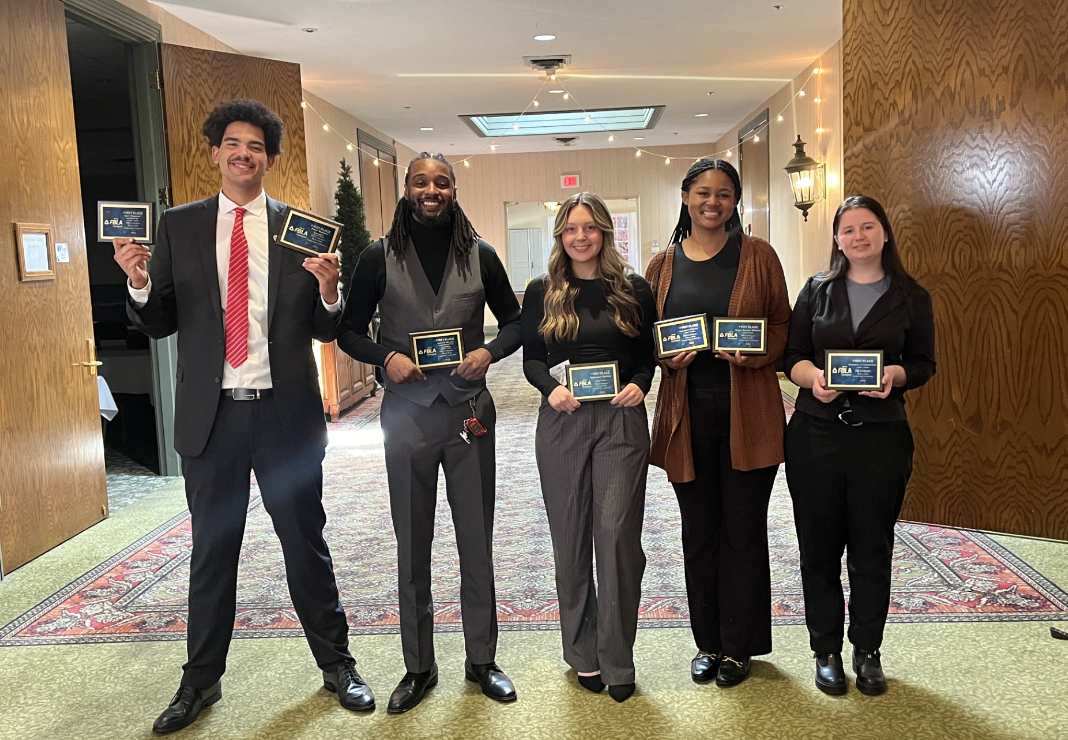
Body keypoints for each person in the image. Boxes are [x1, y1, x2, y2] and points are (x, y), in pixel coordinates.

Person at [113, 99, 372, 734]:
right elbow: (160, 322)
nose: (243, 154)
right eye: (232, 143)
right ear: (214, 153)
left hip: (285, 417)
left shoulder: (299, 230)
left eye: (255, 146)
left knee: (306, 545)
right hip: (213, 420)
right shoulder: (178, 227)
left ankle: (337, 664)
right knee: (212, 551)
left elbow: (321, 326)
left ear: (271, 159)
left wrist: (331, 292)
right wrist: (139, 283)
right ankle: (200, 681)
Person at [337, 152, 522, 714]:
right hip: (407, 414)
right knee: (412, 543)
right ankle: (419, 666)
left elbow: (516, 323)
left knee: (476, 539)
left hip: (469, 413)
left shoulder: (482, 255)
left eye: (441, 182)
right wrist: (384, 358)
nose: (431, 190)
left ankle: (482, 659)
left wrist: (489, 351)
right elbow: (348, 331)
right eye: (421, 182)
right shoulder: (377, 256)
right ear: (407, 190)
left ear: (454, 189)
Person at [645, 158, 791, 687]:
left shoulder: (759, 256)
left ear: (735, 201)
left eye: (724, 194)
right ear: (685, 197)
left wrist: (756, 356)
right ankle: (707, 642)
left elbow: (781, 325)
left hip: (747, 410)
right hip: (687, 413)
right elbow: (649, 336)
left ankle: (740, 645)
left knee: (743, 530)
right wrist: (665, 359)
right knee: (698, 531)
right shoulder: (662, 265)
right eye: (703, 192)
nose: (713, 202)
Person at [784, 194, 936, 696]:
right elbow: (794, 357)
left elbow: (923, 364)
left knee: (873, 547)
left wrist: (893, 374)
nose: (858, 237)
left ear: (884, 233)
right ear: (837, 239)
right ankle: (824, 648)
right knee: (819, 548)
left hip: (881, 438)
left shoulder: (912, 295)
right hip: (816, 434)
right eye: (848, 230)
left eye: (867, 227)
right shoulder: (816, 290)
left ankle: (867, 648)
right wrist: (813, 380)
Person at [521, 192, 656, 703]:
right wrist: (548, 389)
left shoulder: (633, 288)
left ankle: (618, 656)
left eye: (590, 228)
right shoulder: (542, 290)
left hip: (622, 418)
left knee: (617, 534)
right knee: (571, 538)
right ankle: (582, 654)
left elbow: (647, 355)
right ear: (560, 236)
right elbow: (533, 359)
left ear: (605, 232)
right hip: (562, 420)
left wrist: (641, 383)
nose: (581, 237)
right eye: (571, 229)